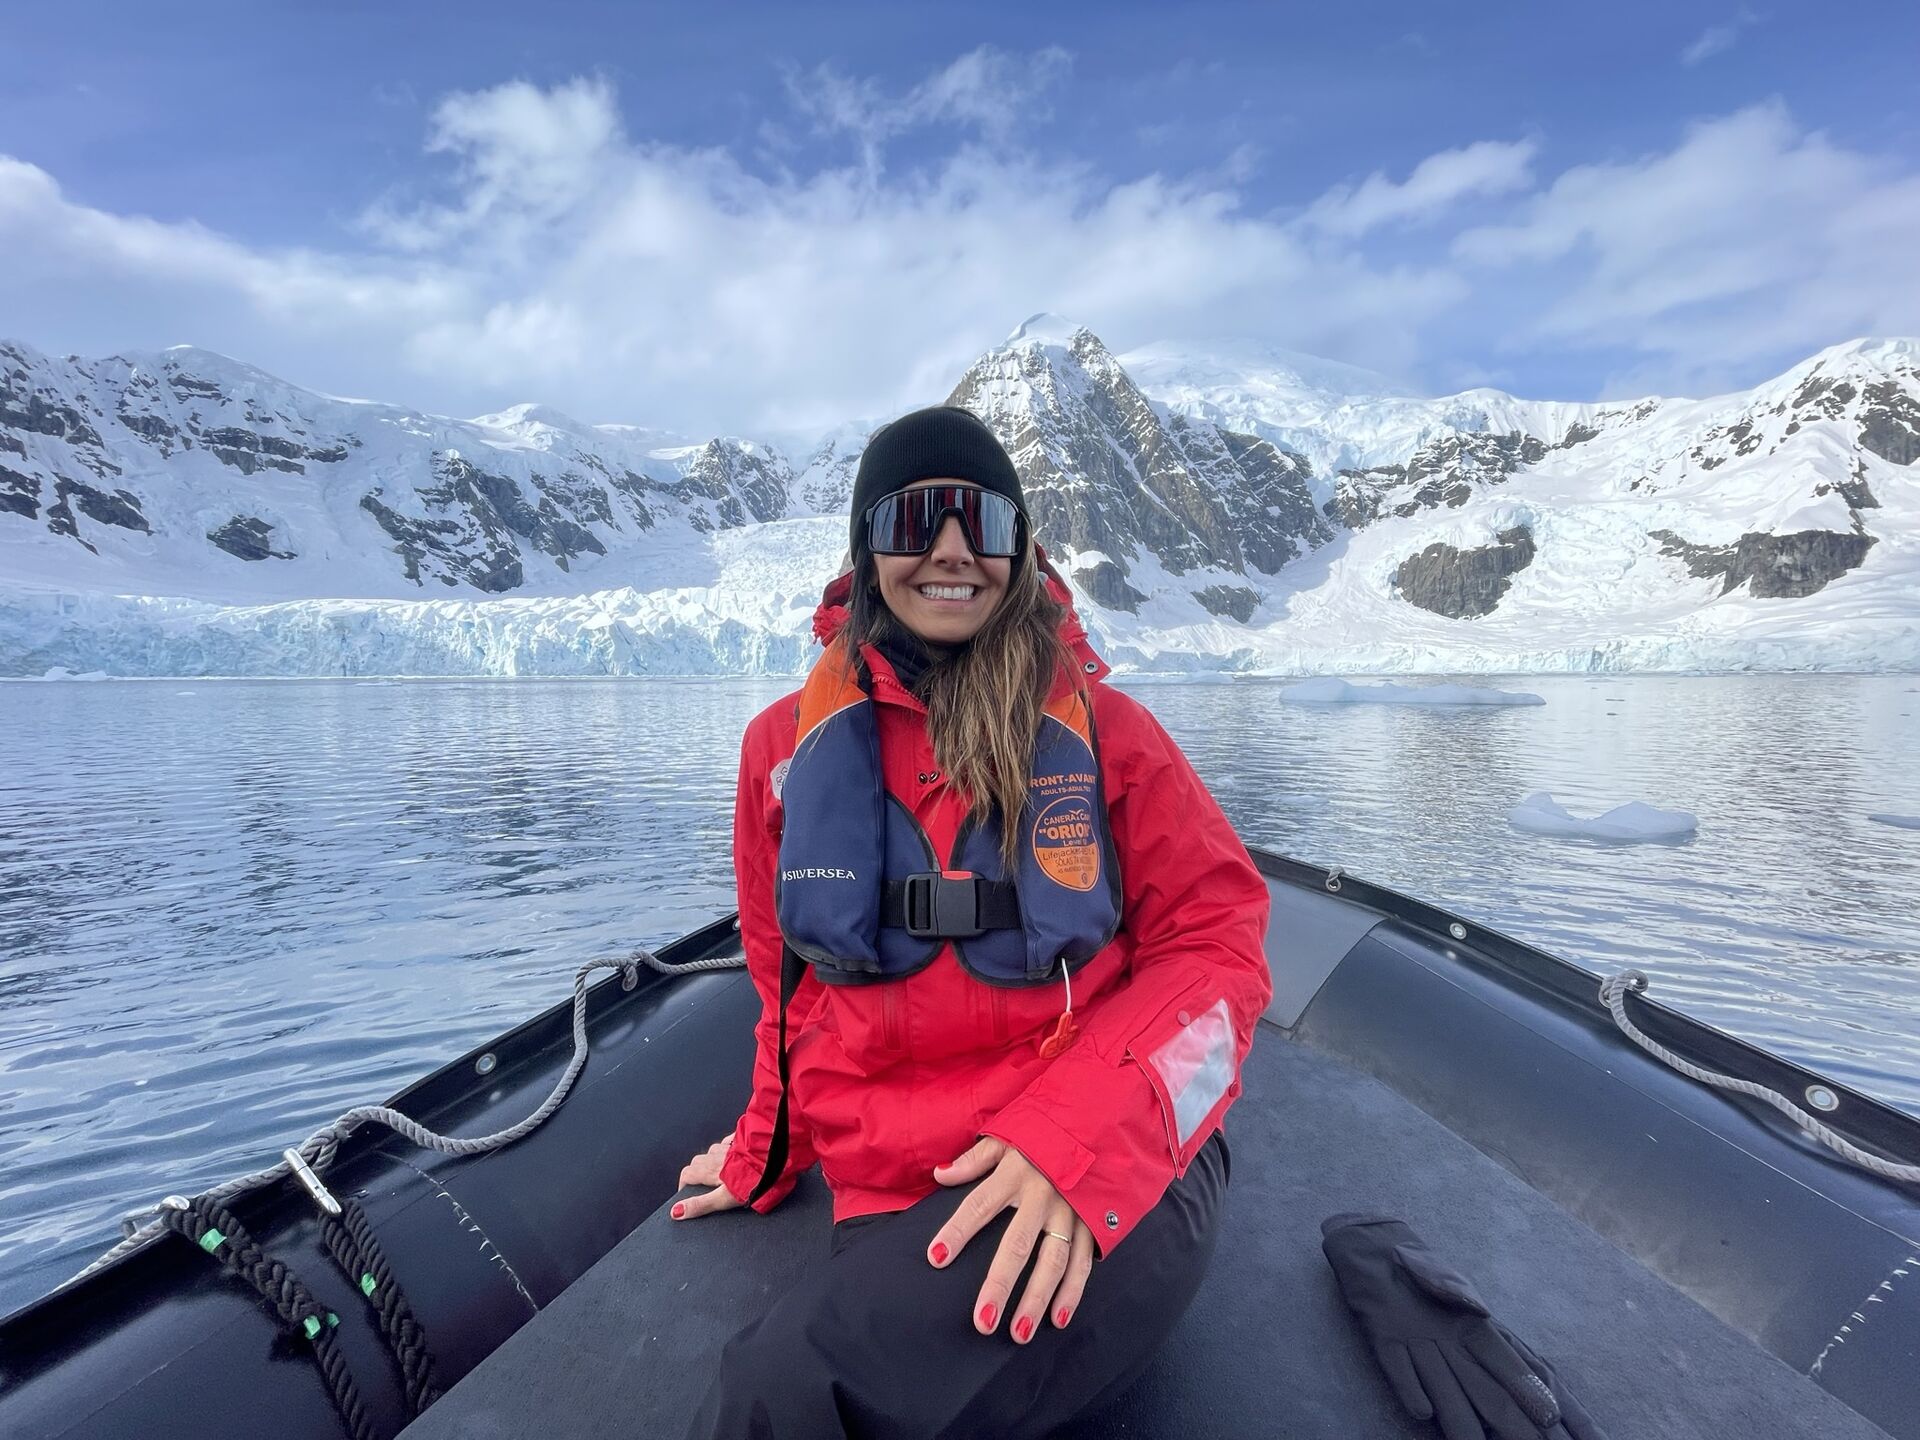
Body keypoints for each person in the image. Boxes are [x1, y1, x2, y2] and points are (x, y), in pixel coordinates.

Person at [674, 405, 1272, 1439]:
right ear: (868, 549)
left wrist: (1074, 1143)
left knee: (790, 1389)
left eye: (981, 523)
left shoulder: (1112, 739)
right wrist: (763, 1155)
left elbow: (1222, 950)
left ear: (1020, 549)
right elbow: (786, 987)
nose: (951, 551)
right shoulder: (781, 749)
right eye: (916, 522)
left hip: (1109, 1170)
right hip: (898, 1188)